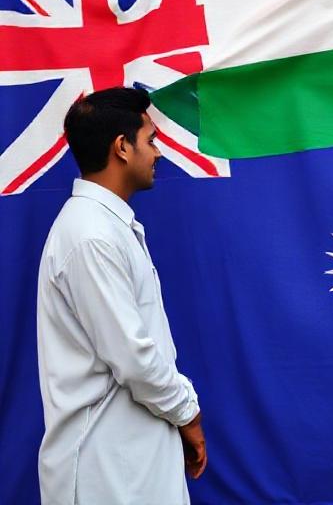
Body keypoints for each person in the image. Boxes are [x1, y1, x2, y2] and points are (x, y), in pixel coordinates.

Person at [36, 87, 206, 504]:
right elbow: (134, 359)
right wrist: (188, 413)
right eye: (151, 140)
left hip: (130, 464)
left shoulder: (102, 227)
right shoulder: (91, 235)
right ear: (122, 148)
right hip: (106, 472)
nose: (158, 153)